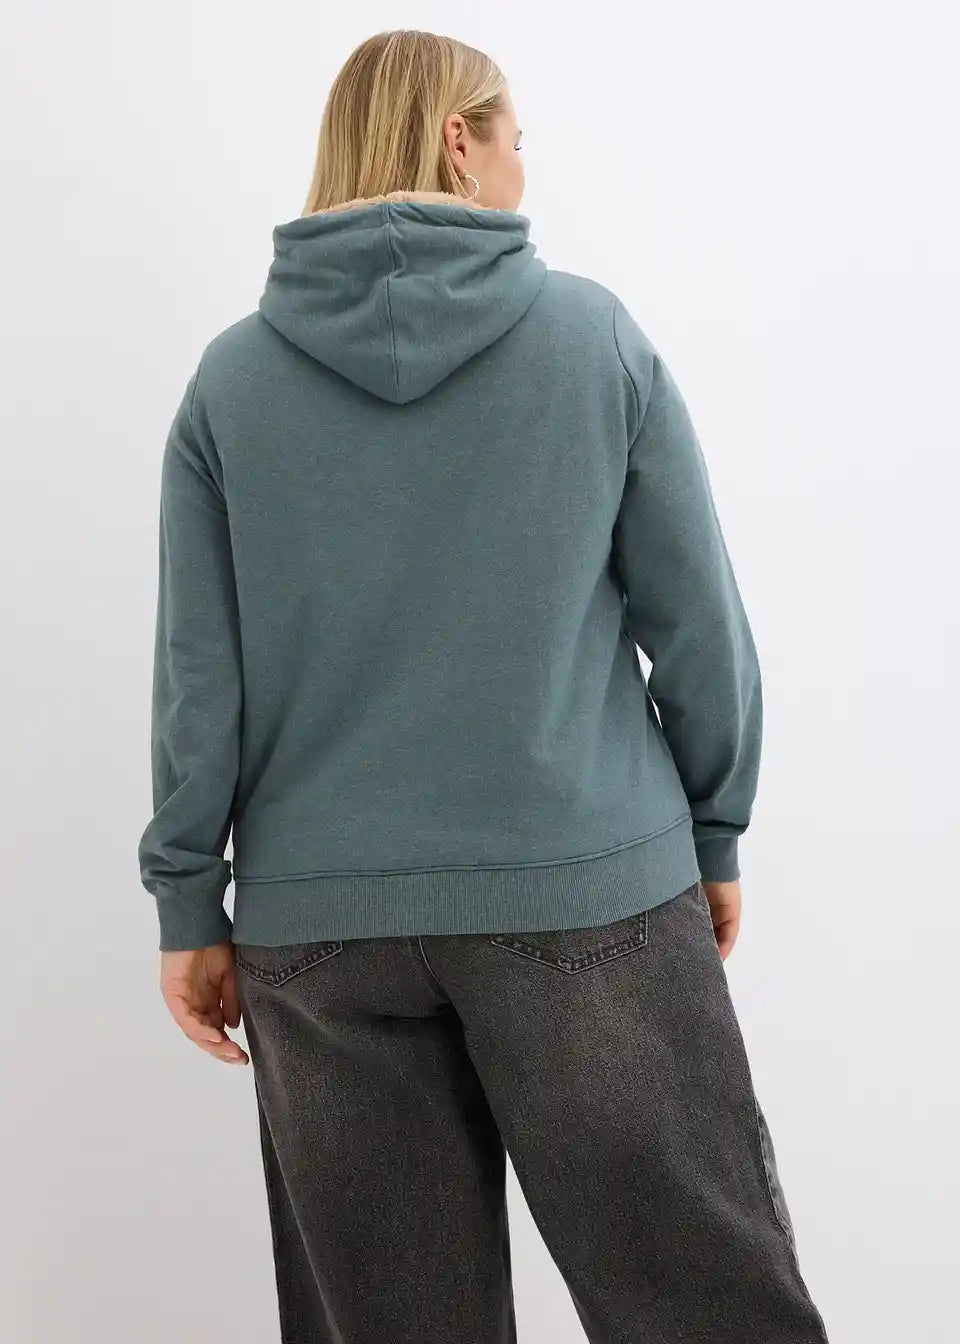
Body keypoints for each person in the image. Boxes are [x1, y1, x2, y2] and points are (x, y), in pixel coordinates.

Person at [137, 27, 830, 1344]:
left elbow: (197, 678)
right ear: (461, 139)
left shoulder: (231, 383)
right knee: (708, 1309)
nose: (524, 168)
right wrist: (713, 824)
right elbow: (697, 621)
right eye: (516, 138)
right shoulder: (591, 339)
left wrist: (188, 903)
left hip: (319, 933)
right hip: (586, 896)